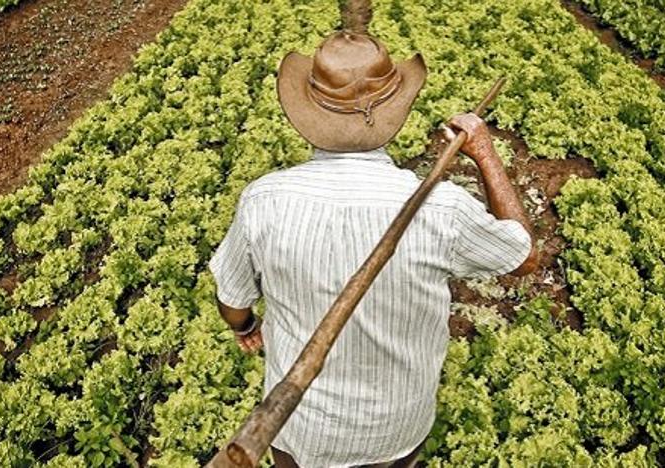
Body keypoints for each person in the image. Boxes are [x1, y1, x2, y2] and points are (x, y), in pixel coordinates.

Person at [207, 29, 538, 468]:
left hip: (300, 427)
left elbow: (232, 301)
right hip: (396, 427)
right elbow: (524, 255)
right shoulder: (442, 206)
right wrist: (484, 153)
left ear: (305, 111)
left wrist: (245, 326)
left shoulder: (262, 200)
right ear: (396, 110)